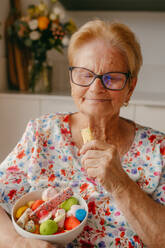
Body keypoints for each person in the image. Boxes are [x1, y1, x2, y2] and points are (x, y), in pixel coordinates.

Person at [0, 19, 165, 248]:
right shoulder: (42, 133)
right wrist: (17, 242)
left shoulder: (158, 148)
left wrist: (121, 184)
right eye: (85, 75)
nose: (96, 88)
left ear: (131, 87)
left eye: (112, 77)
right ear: (71, 80)